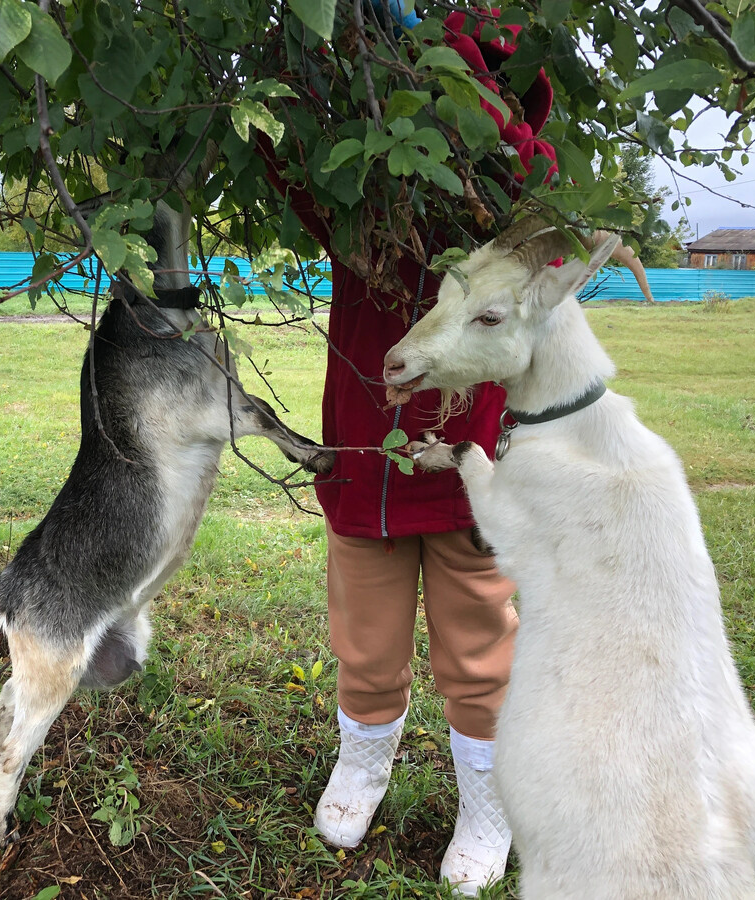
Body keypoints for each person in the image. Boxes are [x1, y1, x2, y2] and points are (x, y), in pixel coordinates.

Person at [260, 10, 558, 895]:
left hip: (469, 470)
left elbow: (530, 173)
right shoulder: (365, 196)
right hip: (366, 462)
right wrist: (334, 56)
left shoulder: (509, 211)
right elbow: (288, 153)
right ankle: (363, 764)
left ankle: (490, 802)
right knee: (366, 641)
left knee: (479, 649)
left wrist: (460, 71)